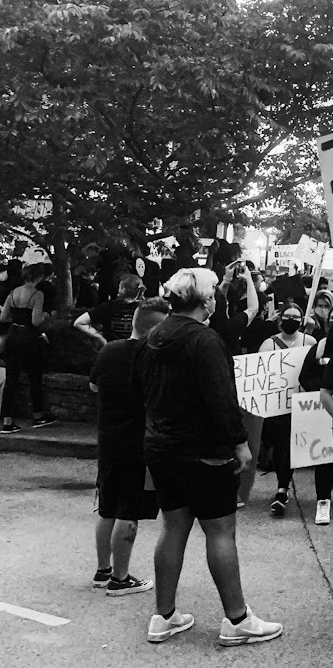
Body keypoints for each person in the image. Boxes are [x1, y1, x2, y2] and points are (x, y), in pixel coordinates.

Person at [135, 268, 282, 647]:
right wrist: (239, 443)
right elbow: (221, 397)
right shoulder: (206, 340)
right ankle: (237, 619)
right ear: (205, 301)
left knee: (173, 526)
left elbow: (142, 390)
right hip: (204, 452)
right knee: (220, 531)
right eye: (213, 292)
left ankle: (163, 616)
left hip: (162, 447)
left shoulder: (154, 336)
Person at [90, 298, 170, 594]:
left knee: (107, 508)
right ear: (156, 327)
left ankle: (103, 570)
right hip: (140, 444)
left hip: (108, 440)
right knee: (129, 511)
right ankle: (121, 579)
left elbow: (94, 386)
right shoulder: (154, 357)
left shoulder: (109, 350)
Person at [258, 302, 315, 517]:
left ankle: (282, 489)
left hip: (302, 404)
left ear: (301, 320)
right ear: (280, 319)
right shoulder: (268, 345)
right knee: (282, 446)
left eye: (296, 316)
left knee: (292, 447)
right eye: (287, 316)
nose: (291, 320)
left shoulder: (308, 342)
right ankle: (282, 487)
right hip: (278, 406)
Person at [299, 290, 333, 525]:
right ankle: (322, 500)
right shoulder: (320, 347)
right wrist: (326, 388)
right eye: (331, 319)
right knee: (325, 458)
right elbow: (306, 376)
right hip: (324, 410)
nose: (332, 321)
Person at [1, 263, 53, 429]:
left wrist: (16, 318)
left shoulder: (13, 293)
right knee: (34, 376)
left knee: (11, 379)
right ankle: (38, 415)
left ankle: (7, 421)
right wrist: (45, 315)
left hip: (13, 335)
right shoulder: (37, 295)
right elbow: (35, 321)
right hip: (29, 338)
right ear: (38, 277)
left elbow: (3, 317)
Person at [75, 273, 146, 345]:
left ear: (123, 289)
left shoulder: (107, 307)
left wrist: (100, 337)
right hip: (139, 352)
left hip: (112, 350)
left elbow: (79, 322)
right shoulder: (145, 309)